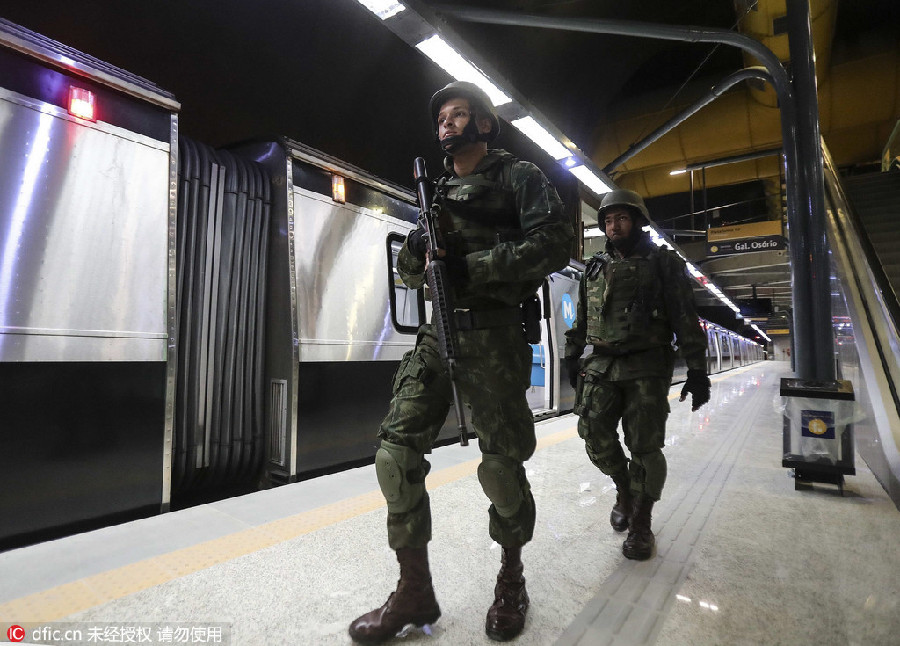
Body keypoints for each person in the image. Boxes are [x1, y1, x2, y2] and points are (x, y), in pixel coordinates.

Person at [348, 81, 573, 643]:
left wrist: (478, 267)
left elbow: (555, 244)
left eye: (460, 115)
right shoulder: (436, 193)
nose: (448, 124)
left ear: (485, 124)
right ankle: (413, 593)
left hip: (494, 338)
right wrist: (421, 248)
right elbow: (407, 269)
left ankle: (511, 576)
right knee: (394, 457)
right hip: (436, 333)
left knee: (500, 468)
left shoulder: (517, 178)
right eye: (442, 118)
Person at [563, 189, 710, 561]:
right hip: (601, 363)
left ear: (637, 221)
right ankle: (624, 488)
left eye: (622, 219)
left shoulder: (663, 262)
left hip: (647, 364)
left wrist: (697, 370)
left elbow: (684, 316)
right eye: (609, 220)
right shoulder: (593, 266)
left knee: (644, 446)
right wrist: (571, 353)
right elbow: (582, 317)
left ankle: (642, 521)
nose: (614, 226)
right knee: (592, 433)